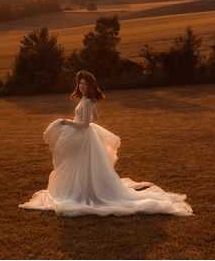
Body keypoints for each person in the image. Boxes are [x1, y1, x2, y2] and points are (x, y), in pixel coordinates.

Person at [18, 70, 194, 217]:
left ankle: (83, 193)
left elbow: (85, 124)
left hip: (83, 135)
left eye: (85, 84)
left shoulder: (87, 101)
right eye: (80, 83)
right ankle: (82, 190)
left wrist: (65, 122)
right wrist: (77, 119)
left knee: (80, 165)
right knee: (78, 164)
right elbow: (93, 118)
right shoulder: (87, 100)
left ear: (90, 85)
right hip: (84, 136)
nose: (81, 86)